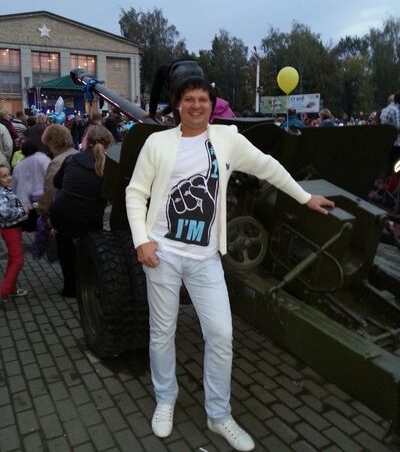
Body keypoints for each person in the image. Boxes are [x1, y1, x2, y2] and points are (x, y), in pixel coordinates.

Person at [125, 75, 334, 451]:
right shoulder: (158, 143)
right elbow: (135, 192)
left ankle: (219, 415)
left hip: (205, 259)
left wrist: (304, 197)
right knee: (162, 332)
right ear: (178, 105)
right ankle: (165, 399)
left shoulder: (227, 140)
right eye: (189, 99)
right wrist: (142, 240)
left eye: (203, 99)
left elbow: (267, 167)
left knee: (221, 335)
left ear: (212, 105)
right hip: (163, 254)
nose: (196, 105)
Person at [49, 125, 114, 297]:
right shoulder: (110, 167)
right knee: (89, 249)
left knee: (65, 249)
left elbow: (56, 182)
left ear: (86, 141)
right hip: (89, 216)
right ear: (109, 144)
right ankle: (89, 284)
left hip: (61, 213)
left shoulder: (72, 159)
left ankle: (69, 288)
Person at [0, 165, 30, 305]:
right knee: (18, 261)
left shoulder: (6, 189)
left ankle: (11, 288)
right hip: (10, 230)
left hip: (14, 229)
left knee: (13, 259)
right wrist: (22, 211)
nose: (9, 178)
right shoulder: (1, 193)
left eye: (9, 174)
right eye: (4, 176)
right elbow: (4, 212)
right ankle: (3, 292)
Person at [12, 139, 51, 208]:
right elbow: (50, 175)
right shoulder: (43, 158)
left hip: (26, 201)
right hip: (45, 197)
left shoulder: (18, 166)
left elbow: (15, 184)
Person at [380, 93, 400, 176]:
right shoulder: (395, 110)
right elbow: (398, 127)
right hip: (396, 143)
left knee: (389, 166)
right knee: (396, 168)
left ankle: (387, 182)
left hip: (386, 142)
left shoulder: (384, 110)